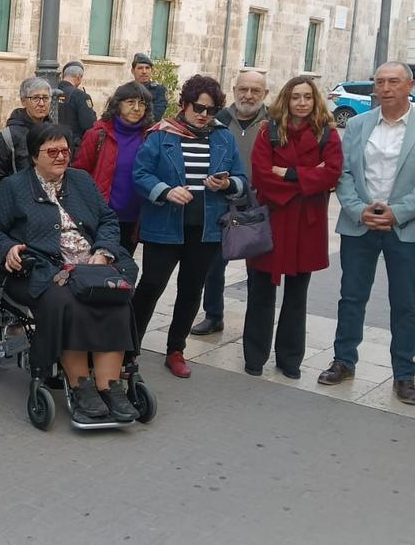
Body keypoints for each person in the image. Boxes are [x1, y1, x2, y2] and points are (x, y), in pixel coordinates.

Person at [0, 123, 140, 423]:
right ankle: (81, 386)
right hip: (40, 270)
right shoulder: (15, 187)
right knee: (68, 303)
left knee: (116, 298)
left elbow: (107, 219)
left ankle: (111, 386)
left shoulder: (81, 181)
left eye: (65, 151)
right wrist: (8, 249)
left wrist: (103, 251)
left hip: (90, 266)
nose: (60, 157)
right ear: (34, 156)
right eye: (52, 151)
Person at [319, 62, 415, 405]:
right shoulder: (357, 125)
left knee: (406, 304)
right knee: (352, 296)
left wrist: (397, 212)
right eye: (380, 82)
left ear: (410, 85)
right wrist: (359, 210)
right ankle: (344, 360)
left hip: (409, 227)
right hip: (361, 224)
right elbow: (342, 173)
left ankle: (404, 374)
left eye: (394, 82)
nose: (385, 88)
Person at [130, 75, 247, 379]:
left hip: (205, 229)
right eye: (198, 107)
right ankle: (128, 348)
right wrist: (165, 191)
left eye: (211, 110)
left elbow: (242, 181)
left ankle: (175, 350)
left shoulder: (223, 137)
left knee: (191, 289)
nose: (204, 114)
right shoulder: (161, 135)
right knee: (151, 286)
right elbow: (140, 175)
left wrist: (227, 184)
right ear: (184, 104)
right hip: (165, 226)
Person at [242, 76, 341, 378]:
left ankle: (289, 360)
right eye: (296, 97)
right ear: (287, 99)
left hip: (306, 226)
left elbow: (333, 174)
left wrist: (288, 174)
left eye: (307, 97)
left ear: (315, 101)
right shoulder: (267, 131)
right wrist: (308, 178)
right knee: (260, 292)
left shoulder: (328, 134)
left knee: (297, 296)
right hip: (272, 221)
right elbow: (260, 176)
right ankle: (254, 356)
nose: (301, 102)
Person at [192, 70, 271, 336]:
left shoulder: (274, 124)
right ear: (235, 89)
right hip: (223, 203)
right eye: (243, 90)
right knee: (214, 266)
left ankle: (256, 326)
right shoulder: (218, 120)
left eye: (255, 91)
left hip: (261, 205)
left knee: (258, 270)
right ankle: (214, 315)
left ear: (265, 94)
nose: (248, 96)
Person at [72, 81, 154, 253]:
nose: (137, 108)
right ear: (118, 104)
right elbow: (79, 175)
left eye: (142, 104)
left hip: (134, 219)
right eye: (131, 102)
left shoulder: (151, 136)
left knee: (124, 269)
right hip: (101, 218)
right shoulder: (97, 134)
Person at [0, 77, 55, 189]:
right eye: (35, 98)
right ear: (23, 101)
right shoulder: (7, 137)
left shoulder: (55, 133)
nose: (41, 103)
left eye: (45, 98)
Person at [55, 61, 97, 149]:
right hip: (72, 146)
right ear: (78, 78)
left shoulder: (52, 91)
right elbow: (89, 124)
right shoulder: (80, 95)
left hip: (52, 141)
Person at [131, 53, 167, 120]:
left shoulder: (159, 90)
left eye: (147, 68)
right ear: (133, 71)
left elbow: (156, 115)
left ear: (151, 71)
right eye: (140, 68)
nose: (144, 72)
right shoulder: (125, 90)